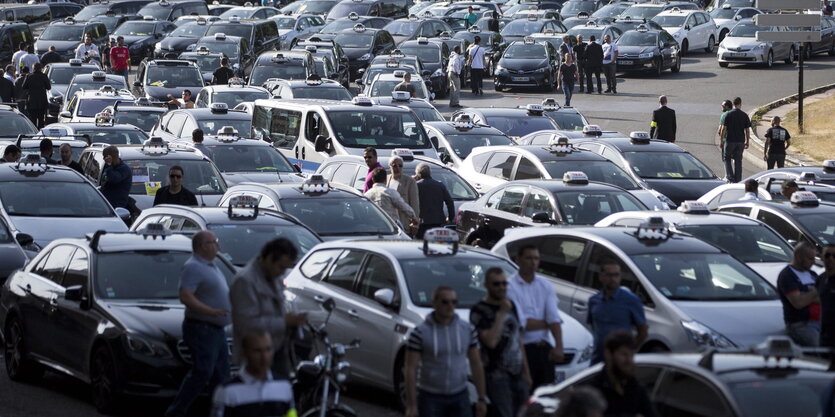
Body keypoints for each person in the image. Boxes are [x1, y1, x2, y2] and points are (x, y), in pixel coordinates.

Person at [165, 231, 231, 417]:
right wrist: (210, 311)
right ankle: (176, 412)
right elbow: (186, 295)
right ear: (203, 246)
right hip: (202, 328)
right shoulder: (193, 267)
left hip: (216, 330)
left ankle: (218, 412)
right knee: (202, 372)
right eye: (214, 242)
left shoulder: (210, 266)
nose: (217, 245)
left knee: (221, 375)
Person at [405, 286, 488, 417]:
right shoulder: (420, 332)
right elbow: (411, 368)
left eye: (454, 302)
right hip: (430, 397)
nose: (450, 306)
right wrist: (412, 405)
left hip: (459, 395)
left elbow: (476, 363)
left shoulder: (467, 330)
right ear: (435, 302)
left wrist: (481, 398)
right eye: (445, 302)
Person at [230, 238, 306, 379]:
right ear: (269, 259)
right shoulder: (245, 281)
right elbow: (247, 325)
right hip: (255, 355)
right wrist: (284, 322)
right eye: (281, 267)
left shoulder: (274, 277)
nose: (282, 272)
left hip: (277, 349)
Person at [470, 268, 532, 417]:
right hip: (496, 375)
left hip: (517, 373)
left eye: (504, 284)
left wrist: (526, 372)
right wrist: (502, 313)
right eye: (496, 284)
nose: (502, 288)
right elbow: (490, 342)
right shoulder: (479, 310)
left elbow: (518, 340)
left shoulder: (511, 305)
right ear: (486, 285)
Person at [507, 245, 564, 390]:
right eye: (529, 258)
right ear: (518, 260)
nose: (533, 262)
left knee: (546, 396)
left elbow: (554, 318)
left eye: (536, 258)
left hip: (545, 350)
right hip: (523, 351)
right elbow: (522, 324)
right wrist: (548, 322)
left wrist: (559, 346)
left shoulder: (545, 285)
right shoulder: (510, 287)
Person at [210, 330, 296, 417]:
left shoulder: (284, 386)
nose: (264, 357)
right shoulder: (227, 391)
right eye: (257, 351)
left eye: (268, 349)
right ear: (244, 352)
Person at [587, 259, 647, 365]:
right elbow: (593, 326)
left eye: (617, 275)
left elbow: (643, 330)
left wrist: (629, 351)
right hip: (598, 359)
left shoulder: (630, 300)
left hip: (620, 362)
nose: (613, 279)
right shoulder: (594, 301)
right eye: (609, 275)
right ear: (601, 276)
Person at [589, 331, 658, 417]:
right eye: (624, 354)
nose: (629, 360)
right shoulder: (593, 390)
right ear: (609, 354)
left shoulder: (636, 389)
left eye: (631, 355)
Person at [777, 242, 821, 347]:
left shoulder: (812, 274)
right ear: (799, 257)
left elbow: (823, 298)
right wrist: (815, 291)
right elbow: (798, 302)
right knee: (821, 349)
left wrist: (806, 295)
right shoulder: (787, 275)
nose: (813, 262)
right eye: (810, 258)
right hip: (801, 326)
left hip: (819, 322)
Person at [414, 162, 455, 238]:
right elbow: (449, 202)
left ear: (418, 173)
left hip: (422, 223)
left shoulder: (416, 185)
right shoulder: (440, 185)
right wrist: (450, 217)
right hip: (438, 222)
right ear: (430, 173)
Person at [718, 97, 751, 183]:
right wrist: (747, 141)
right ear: (740, 104)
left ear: (733, 104)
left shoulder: (728, 114)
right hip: (740, 142)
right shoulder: (744, 115)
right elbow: (747, 130)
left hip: (730, 140)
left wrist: (721, 141)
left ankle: (730, 176)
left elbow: (723, 129)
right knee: (738, 160)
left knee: (727, 157)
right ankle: (738, 179)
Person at [388, 155, 420, 236]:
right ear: (390, 167)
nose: (397, 168)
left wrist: (415, 224)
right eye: (394, 165)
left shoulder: (410, 182)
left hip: (404, 225)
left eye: (400, 166)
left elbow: (415, 204)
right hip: (388, 225)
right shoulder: (386, 179)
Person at [22, 63, 50, 128]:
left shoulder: (29, 76)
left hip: (32, 100)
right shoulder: (44, 76)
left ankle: (34, 133)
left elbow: (23, 87)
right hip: (42, 101)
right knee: (41, 119)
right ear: (41, 68)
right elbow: (48, 87)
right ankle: (40, 133)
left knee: (33, 119)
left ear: (33, 68)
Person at [819, 244, 835, 348]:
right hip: (822, 334)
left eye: (834, 256)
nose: (831, 259)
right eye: (827, 255)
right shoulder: (819, 279)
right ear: (822, 257)